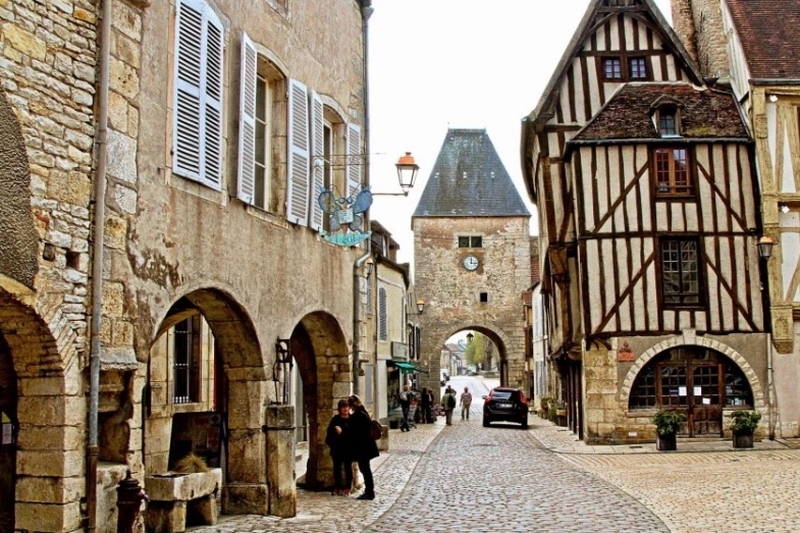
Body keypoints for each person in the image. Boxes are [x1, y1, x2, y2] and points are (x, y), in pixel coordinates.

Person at [347, 394, 379, 500]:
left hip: (363, 447)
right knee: (365, 469)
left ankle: (369, 492)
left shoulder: (359, 415)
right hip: (366, 447)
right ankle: (369, 491)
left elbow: (356, 431)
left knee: (365, 469)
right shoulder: (363, 412)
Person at [325, 399, 353, 495]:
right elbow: (329, 433)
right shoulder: (335, 419)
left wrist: (342, 432)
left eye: (347, 407)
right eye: (343, 407)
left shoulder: (352, 419)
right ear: (339, 409)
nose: (345, 409)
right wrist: (335, 432)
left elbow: (353, 434)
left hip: (348, 448)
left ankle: (348, 487)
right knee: (336, 468)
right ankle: (338, 486)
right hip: (337, 448)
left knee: (348, 468)